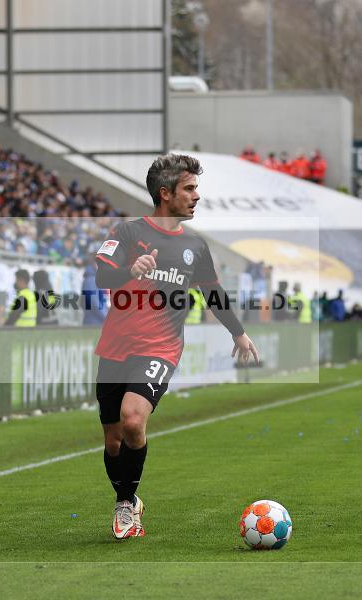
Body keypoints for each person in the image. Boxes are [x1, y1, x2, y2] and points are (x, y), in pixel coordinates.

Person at [93, 154, 259, 539]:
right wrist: (128, 271)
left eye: (196, 188)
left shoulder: (195, 247)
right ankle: (129, 499)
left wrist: (237, 331)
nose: (196, 196)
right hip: (115, 348)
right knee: (113, 439)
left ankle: (124, 508)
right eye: (189, 188)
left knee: (134, 420)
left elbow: (213, 293)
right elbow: (102, 273)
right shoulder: (129, 232)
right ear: (165, 193)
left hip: (161, 347)